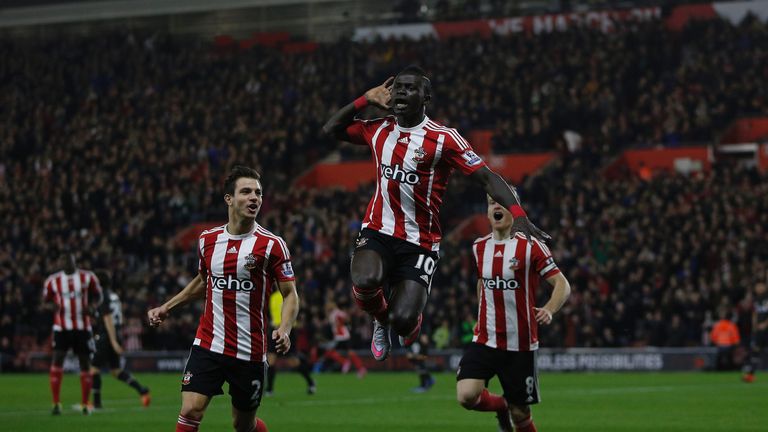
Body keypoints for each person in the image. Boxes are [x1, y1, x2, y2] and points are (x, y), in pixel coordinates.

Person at [322, 65, 548, 361]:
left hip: (420, 241)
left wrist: (519, 215)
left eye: (410, 87)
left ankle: (405, 321)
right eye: (397, 86)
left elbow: (487, 177)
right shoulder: (378, 129)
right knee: (364, 280)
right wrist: (364, 100)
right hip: (378, 229)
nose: (401, 91)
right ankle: (380, 319)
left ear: (426, 97)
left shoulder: (444, 139)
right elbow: (331, 129)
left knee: (402, 320)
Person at [147, 166, 299, 432]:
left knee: (243, 425)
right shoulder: (208, 240)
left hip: (249, 349)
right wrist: (167, 307)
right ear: (229, 198)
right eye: (246, 192)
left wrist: (285, 329)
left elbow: (290, 294)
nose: (254, 198)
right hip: (209, 341)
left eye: (258, 193)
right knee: (190, 409)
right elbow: (204, 282)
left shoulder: (272, 245)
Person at [456, 196, 570, 432]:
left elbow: (562, 284)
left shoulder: (531, 246)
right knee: (466, 395)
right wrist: (481, 312)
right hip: (485, 339)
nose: (496, 207)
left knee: (521, 413)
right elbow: (481, 282)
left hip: (520, 345)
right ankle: (501, 406)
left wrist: (549, 309)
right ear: (487, 212)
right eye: (490, 203)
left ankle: (510, 408)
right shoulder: (479, 247)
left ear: (515, 211)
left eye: (502, 203)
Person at [42, 252, 103, 415]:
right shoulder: (53, 281)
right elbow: (45, 302)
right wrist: (50, 307)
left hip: (83, 327)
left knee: (84, 363)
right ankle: (56, 403)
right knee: (57, 360)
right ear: (60, 263)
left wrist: (93, 307)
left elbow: (98, 296)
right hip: (61, 328)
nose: (66, 263)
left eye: (69, 260)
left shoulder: (87, 277)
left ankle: (85, 403)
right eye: (63, 261)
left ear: (74, 261)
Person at [89, 269, 151, 409]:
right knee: (116, 370)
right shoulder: (114, 296)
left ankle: (97, 403)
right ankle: (142, 390)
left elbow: (107, 318)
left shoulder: (102, 296)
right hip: (115, 333)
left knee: (94, 369)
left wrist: (112, 341)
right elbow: (118, 317)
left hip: (107, 335)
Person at [265, 290, 316, 396]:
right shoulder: (273, 297)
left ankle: (311, 382)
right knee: (271, 360)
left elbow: (295, 313)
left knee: (293, 362)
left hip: (288, 331)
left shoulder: (292, 295)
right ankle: (269, 389)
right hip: (274, 331)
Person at [320, 300, 367, 378]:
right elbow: (346, 318)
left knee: (330, 352)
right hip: (344, 336)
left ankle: (346, 362)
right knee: (349, 352)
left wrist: (342, 323)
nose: (326, 307)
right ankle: (360, 368)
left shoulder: (334, 314)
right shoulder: (337, 313)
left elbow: (344, 318)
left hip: (341, 336)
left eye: (328, 306)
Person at [743, 281, 767, 382]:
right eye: (757, 286)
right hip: (759, 330)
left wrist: (765, 324)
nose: (759, 288)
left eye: (761, 286)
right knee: (755, 351)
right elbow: (755, 313)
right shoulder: (756, 299)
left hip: (766, 328)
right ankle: (751, 375)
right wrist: (754, 325)